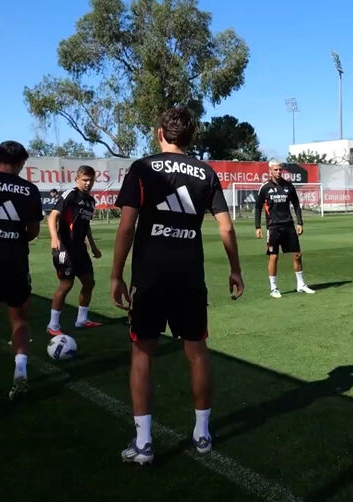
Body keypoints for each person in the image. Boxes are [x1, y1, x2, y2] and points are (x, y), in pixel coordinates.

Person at [110, 106, 244, 465]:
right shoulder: (206, 172)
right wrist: (235, 270)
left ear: (159, 134)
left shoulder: (142, 167)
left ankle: (143, 444)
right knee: (197, 353)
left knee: (142, 356)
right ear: (191, 137)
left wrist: (115, 274)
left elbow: (126, 227)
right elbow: (226, 228)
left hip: (150, 278)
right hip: (189, 278)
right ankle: (202, 435)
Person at [0, 141, 43, 400]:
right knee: (19, 319)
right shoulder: (29, 190)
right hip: (15, 262)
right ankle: (20, 373)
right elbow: (33, 232)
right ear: (20, 162)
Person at [46, 166, 102, 335]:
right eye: (85, 179)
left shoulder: (91, 201)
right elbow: (53, 216)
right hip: (65, 246)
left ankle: (82, 320)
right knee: (66, 284)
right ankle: (53, 325)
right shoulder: (71, 194)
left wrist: (92, 246)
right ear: (77, 179)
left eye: (91, 180)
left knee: (89, 282)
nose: (88, 183)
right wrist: (54, 237)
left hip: (80, 248)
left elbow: (86, 227)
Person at [254, 160, 313, 297]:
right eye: (275, 170)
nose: (278, 172)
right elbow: (258, 208)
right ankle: (273, 288)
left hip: (288, 225)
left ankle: (301, 284)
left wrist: (300, 222)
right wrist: (258, 227)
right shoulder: (265, 188)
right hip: (273, 227)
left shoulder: (288, 186)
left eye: (280, 169)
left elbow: (296, 204)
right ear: (270, 171)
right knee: (274, 257)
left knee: (297, 255)